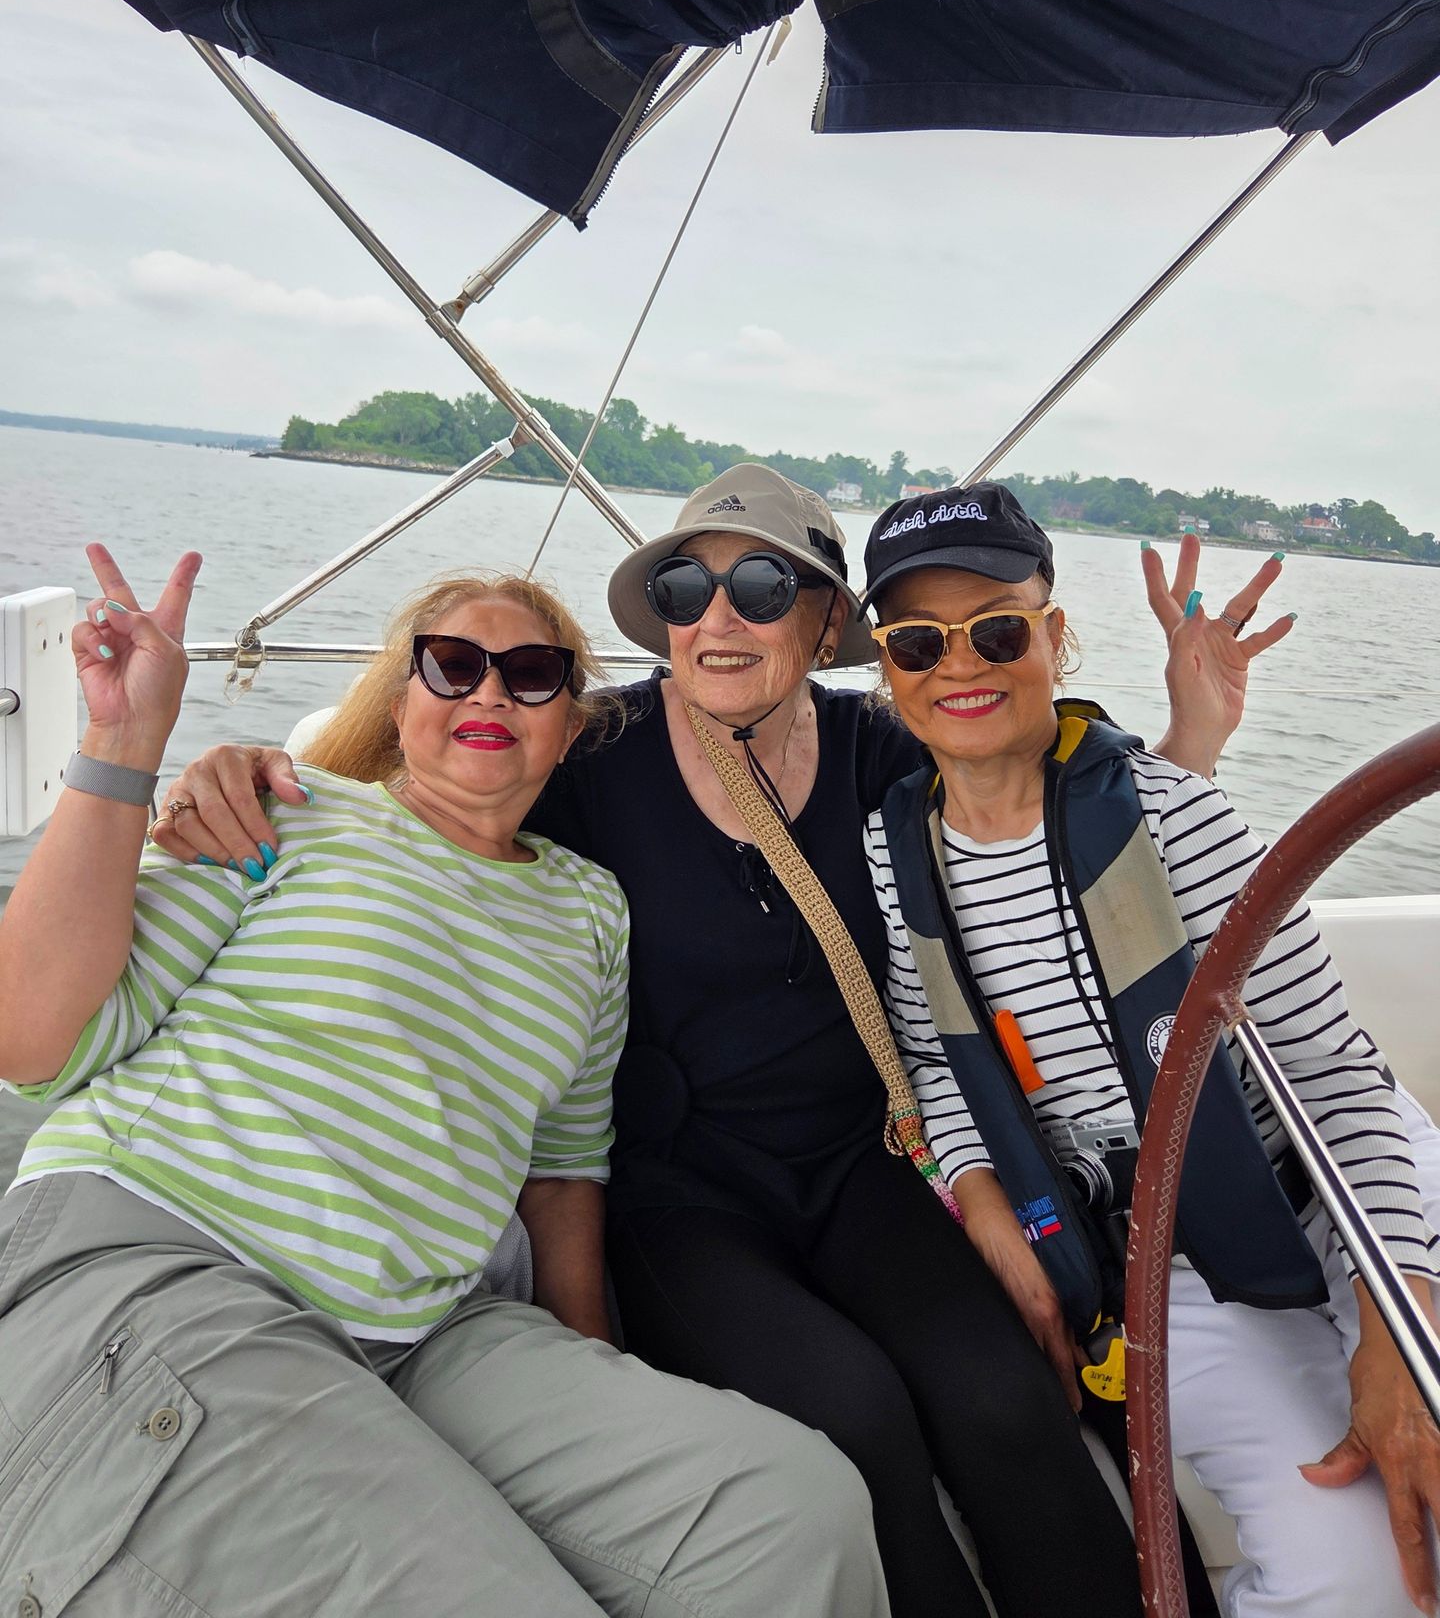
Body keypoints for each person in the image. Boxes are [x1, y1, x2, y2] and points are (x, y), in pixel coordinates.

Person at [141, 466, 1290, 1617]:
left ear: (828, 619)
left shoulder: (882, 752)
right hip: (679, 1192)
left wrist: (1195, 729)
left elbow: (1065, 825)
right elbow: (433, 797)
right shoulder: (591, 754)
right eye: (687, 586)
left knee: (1004, 1400)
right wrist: (241, 776)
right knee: (856, 1418)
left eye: (760, 584)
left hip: (868, 1163)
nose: (717, 615)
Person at [0, 544, 889, 1618]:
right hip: (187, 1257)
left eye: (531, 675)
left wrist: (588, 1368)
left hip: (424, 1329)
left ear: (569, 725)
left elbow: (563, 1170)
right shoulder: (286, 815)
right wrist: (123, 746)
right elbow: (33, 1039)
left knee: (794, 1513)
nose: (488, 691)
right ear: (405, 692)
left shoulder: (589, 911)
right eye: (453, 663)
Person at [860, 479, 1440, 1618]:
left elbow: (1337, 1080)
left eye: (998, 629)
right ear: (886, 665)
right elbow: (933, 1062)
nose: (959, 665)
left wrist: (1393, 1323)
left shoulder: (1177, 815)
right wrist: (987, 1209)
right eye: (920, 640)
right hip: (1166, 1265)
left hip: (1344, 1198)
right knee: (1351, 1573)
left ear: (1056, 637)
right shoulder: (898, 855)